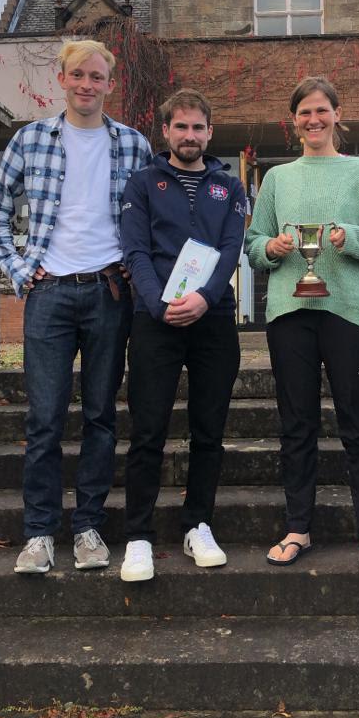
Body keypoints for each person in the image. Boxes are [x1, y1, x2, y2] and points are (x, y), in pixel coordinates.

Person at [0, 39, 152, 574]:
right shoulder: (32, 139)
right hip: (49, 291)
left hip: (109, 292)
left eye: (96, 76)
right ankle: (38, 533)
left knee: (101, 416)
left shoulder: (133, 145)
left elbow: (149, 216)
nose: (86, 84)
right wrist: (17, 266)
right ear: (62, 78)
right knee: (45, 419)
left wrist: (136, 263)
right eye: (77, 74)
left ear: (109, 82)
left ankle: (89, 529)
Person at [245, 76, 359, 568]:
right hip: (291, 312)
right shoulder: (277, 180)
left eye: (321, 111)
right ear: (294, 122)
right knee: (296, 424)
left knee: (358, 420)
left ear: (336, 114)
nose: (314, 120)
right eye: (304, 113)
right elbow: (254, 245)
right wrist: (270, 247)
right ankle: (298, 528)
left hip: (350, 312)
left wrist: (347, 237)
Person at [119, 89, 246, 580]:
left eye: (198, 128)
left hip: (213, 321)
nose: (189, 136)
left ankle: (198, 524)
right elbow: (136, 252)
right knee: (148, 431)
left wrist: (205, 298)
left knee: (208, 432)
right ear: (165, 131)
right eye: (181, 127)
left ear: (209, 132)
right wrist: (159, 303)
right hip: (157, 322)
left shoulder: (229, 188)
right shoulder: (142, 184)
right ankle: (138, 536)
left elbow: (231, 249)